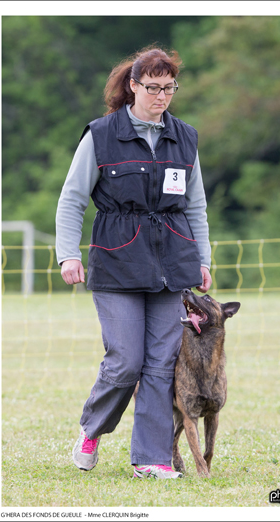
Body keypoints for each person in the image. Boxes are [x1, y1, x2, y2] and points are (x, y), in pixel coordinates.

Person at [55, 46, 212, 480]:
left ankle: (151, 457)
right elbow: (71, 199)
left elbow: (195, 205)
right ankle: (92, 430)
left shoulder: (185, 137)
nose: (161, 96)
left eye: (169, 88)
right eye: (153, 87)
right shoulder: (101, 135)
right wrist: (68, 253)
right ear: (133, 85)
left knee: (162, 363)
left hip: (173, 262)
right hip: (117, 263)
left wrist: (203, 258)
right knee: (125, 360)